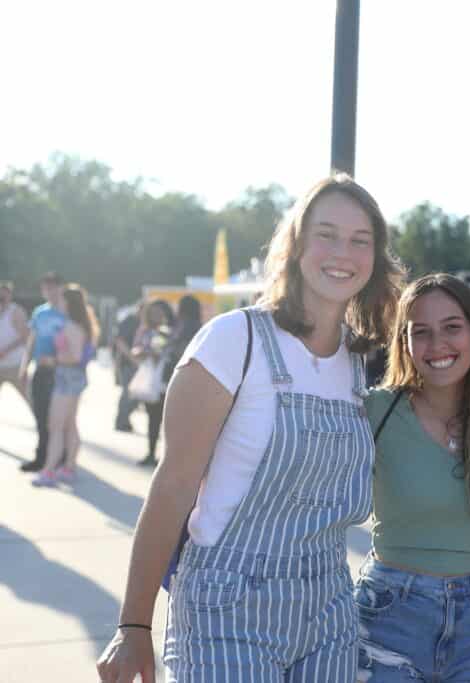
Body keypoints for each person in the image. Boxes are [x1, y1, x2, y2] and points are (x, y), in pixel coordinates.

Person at [96, 173, 403, 683]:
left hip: (329, 607)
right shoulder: (233, 341)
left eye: (359, 240)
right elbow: (171, 487)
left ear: (375, 257)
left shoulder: (360, 361)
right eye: (325, 234)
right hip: (227, 608)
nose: (341, 252)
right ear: (296, 244)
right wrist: (133, 624)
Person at [356, 274, 470, 682]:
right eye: (421, 332)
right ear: (404, 342)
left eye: (452, 327)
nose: (437, 346)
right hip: (389, 613)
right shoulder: (375, 412)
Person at [31, 284, 98, 486]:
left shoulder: (72, 326)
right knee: (68, 425)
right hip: (71, 378)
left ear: (68, 302)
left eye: (61, 299)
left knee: (56, 426)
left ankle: (49, 471)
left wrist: (53, 361)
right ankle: (68, 467)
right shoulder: (80, 324)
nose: (58, 302)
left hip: (67, 378)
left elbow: (76, 357)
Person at [18, 272, 67, 473]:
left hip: (61, 371)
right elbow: (32, 340)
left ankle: (61, 456)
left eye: (52, 287)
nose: (49, 292)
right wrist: (24, 365)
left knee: (58, 417)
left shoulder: (67, 312)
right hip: (40, 370)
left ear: (60, 288)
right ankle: (41, 456)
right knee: (40, 414)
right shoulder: (40, 313)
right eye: (45, 288)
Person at [131, 300, 173, 467]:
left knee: (167, 419)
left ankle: (165, 456)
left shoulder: (171, 331)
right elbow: (135, 350)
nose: (157, 316)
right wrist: (146, 353)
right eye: (153, 312)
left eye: (159, 312)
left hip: (167, 379)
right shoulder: (145, 330)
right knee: (153, 418)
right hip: (151, 378)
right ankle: (151, 452)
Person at [0, 280, 31, 408]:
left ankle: (47, 426)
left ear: (10, 295)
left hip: (15, 366)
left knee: (31, 399)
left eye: (5, 293)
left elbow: (25, 336)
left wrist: (5, 351)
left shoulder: (16, 312)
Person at [113, 301, 142, 432]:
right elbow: (120, 341)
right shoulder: (130, 321)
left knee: (136, 396)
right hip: (127, 364)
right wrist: (133, 358)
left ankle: (125, 419)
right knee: (127, 393)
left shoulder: (145, 323)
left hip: (139, 365)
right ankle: (121, 421)